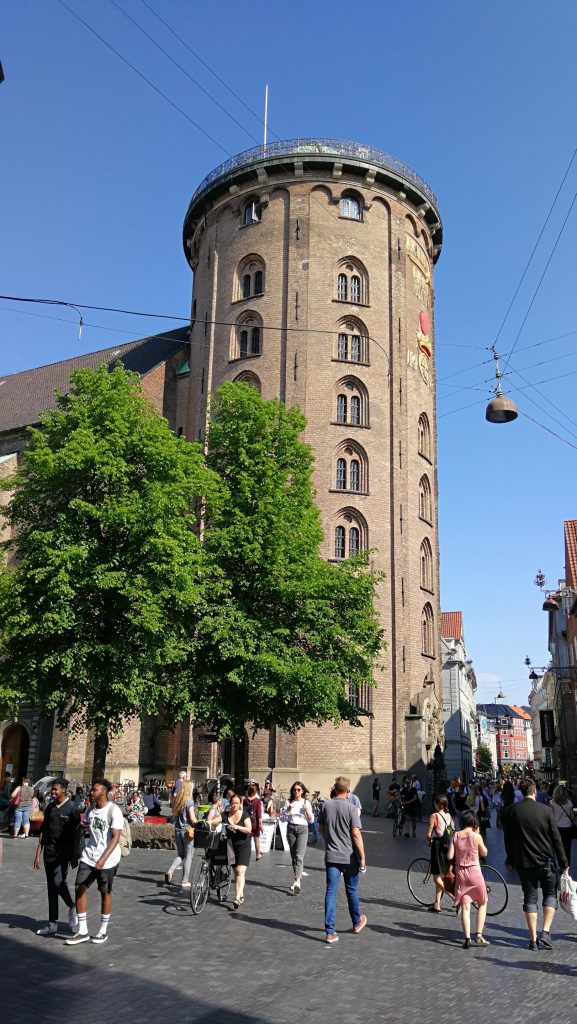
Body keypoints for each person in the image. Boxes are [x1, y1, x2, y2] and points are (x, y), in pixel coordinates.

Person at [503, 777, 568, 950]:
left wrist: (510, 859)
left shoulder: (511, 811)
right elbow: (556, 839)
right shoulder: (546, 810)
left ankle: (532, 940)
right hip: (546, 862)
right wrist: (563, 862)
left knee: (530, 897)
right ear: (534, 791)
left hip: (524, 863)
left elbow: (507, 839)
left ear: (521, 792)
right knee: (550, 894)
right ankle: (545, 932)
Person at [65, 778, 124, 946]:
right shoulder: (91, 809)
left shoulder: (114, 810)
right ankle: (83, 931)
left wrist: (103, 860)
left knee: (105, 892)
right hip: (89, 856)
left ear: (103, 791)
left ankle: (103, 930)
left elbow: (115, 838)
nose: (91, 792)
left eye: (94, 790)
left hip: (108, 859)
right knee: (79, 887)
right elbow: (86, 826)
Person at [318, 775, 366, 944]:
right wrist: (362, 857)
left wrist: (329, 840)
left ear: (335, 788)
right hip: (349, 856)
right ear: (348, 790)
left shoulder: (326, 805)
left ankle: (330, 932)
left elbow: (320, 828)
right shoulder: (352, 808)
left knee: (331, 892)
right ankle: (356, 922)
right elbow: (356, 834)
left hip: (332, 855)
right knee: (351, 891)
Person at [34, 778, 80, 936]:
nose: (52, 792)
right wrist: (37, 854)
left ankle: (72, 906)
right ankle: (52, 923)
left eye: (55, 789)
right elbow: (43, 831)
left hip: (63, 854)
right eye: (52, 789)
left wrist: (75, 855)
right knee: (51, 888)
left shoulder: (72, 808)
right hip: (49, 852)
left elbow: (78, 834)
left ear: (64, 790)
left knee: (58, 882)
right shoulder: (50, 808)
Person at [448, 809, 489, 948]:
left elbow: (449, 856)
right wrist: (478, 835)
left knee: (465, 906)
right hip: (475, 873)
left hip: (461, 874)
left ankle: (467, 938)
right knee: (482, 902)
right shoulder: (476, 836)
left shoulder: (456, 835)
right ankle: (479, 935)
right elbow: (485, 853)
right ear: (474, 823)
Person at [212, 793, 252, 908]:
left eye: (237, 803)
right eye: (233, 803)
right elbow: (214, 821)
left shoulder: (244, 815)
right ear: (230, 804)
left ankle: (237, 898)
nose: (234, 805)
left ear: (239, 804)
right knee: (236, 873)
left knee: (240, 871)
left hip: (243, 846)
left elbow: (249, 829)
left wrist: (237, 827)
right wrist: (206, 822)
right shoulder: (225, 815)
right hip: (230, 846)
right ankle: (241, 895)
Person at [280, 781, 314, 893]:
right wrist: (288, 811)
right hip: (291, 829)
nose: (296, 791)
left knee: (299, 856)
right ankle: (296, 878)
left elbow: (311, 820)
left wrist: (307, 811)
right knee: (294, 856)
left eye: (299, 790)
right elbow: (282, 819)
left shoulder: (306, 803)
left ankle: (297, 881)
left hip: (302, 830)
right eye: (294, 789)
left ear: (302, 791)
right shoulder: (288, 802)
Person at [165, 780, 197, 888]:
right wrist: (199, 823)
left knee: (180, 854)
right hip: (187, 831)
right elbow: (192, 819)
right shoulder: (189, 802)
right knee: (188, 856)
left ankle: (170, 870)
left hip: (178, 830)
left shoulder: (177, 800)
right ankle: (185, 881)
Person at [426, 795, 454, 913]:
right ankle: (437, 904)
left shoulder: (434, 815)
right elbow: (452, 829)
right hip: (447, 846)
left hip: (437, 846)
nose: (434, 805)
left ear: (438, 804)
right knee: (441, 875)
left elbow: (429, 833)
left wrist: (428, 842)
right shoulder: (449, 815)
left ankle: (454, 897)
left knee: (436, 877)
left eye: (435, 803)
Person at [549, 784, 575, 868]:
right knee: (567, 849)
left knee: (557, 848)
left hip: (556, 828)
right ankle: (567, 866)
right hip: (567, 828)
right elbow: (572, 817)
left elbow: (551, 817)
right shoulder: (569, 802)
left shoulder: (551, 802)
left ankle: (560, 866)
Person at [244, 783, 263, 860]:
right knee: (256, 840)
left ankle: (246, 855)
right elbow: (259, 814)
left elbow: (244, 811)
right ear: (255, 792)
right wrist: (260, 825)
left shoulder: (245, 800)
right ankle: (258, 854)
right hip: (255, 823)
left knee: (247, 840)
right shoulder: (258, 801)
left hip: (247, 822)